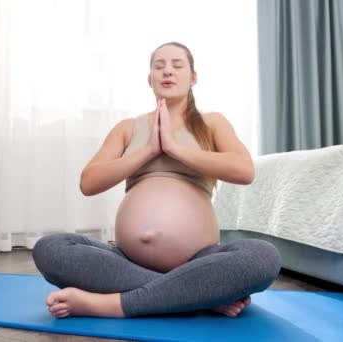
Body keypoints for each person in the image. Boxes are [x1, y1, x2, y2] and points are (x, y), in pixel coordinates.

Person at [32, 42, 281, 318]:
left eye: (177, 65)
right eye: (159, 66)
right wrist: (147, 151)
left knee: (263, 257)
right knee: (50, 249)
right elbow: (88, 182)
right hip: (126, 261)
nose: (168, 71)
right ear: (150, 79)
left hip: (200, 260)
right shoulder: (128, 128)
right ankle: (198, 296)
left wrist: (176, 148)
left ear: (193, 77)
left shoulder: (212, 123)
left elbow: (244, 170)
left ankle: (112, 305)